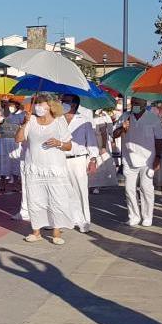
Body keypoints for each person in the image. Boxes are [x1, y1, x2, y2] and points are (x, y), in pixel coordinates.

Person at [16, 94, 76, 244]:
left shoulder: (59, 121)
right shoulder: (31, 121)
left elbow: (69, 145)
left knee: (57, 200)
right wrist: (24, 123)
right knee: (35, 200)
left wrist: (58, 143)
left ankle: (56, 233)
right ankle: (36, 232)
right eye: (37, 104)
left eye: (42, 104)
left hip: (54, 168)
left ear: (50, 106)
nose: (38, 107)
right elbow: (18, 139)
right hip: (34, 167)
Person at [113, 97, 162, 226]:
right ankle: (134, 216)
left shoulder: (153, 118)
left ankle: (147, 217)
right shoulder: (125, 116)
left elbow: (158, 139)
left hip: (148, 160)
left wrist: (158, 158)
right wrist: (122, 128)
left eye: (137, 103)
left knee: (146, 189)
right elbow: (114, 134)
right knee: (129, 190)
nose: (134, 105)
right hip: (129, 160)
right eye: (133, 103)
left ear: (144, 104)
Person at [61, 94, 99, 233]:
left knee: (81, 191)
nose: (63, 103)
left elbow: (92, 142)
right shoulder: (57, 120)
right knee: (64, 191)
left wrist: (93, 160)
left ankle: (84, 221)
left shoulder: (84, 121)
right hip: (60, 159)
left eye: (66, 101)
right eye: (62, 101)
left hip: (78, 159)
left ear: (74, 105)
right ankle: (69, 219)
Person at [0, 99, 26, 191]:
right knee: (3, 161)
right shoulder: (2, 113)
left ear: (17, 105)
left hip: (15, 141)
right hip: (3, 141)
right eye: (8, 105)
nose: (10, 107)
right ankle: (2, 184)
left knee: (16, 161)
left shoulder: (22, 114)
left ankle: (16, 184)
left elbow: (24, 126)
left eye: (11, 105)